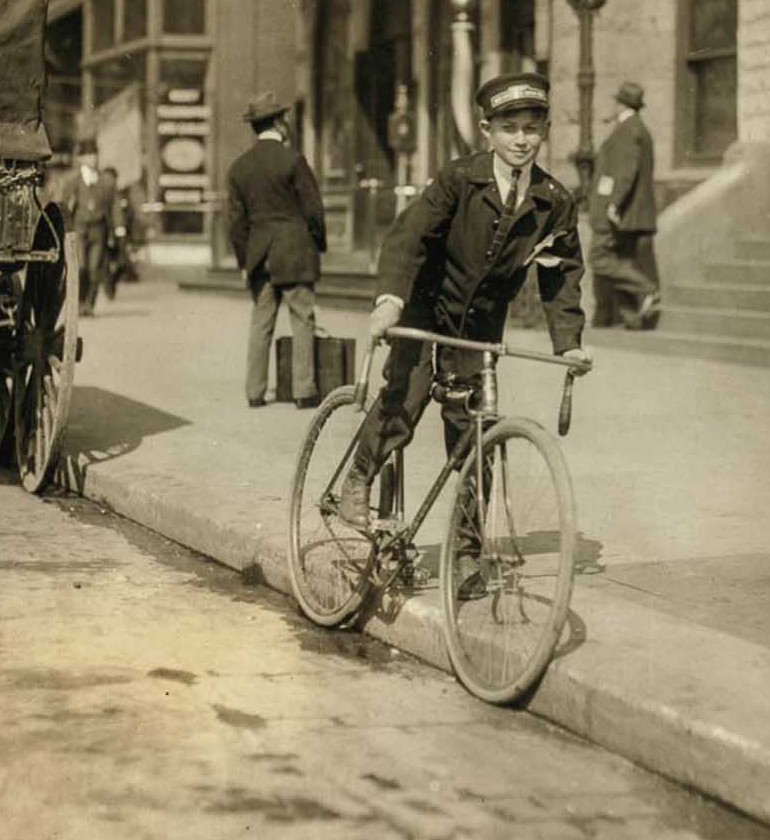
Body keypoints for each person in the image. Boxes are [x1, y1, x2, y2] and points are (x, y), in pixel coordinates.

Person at [337, 72, 591, 578]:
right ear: (486, 130)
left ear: (543, 133)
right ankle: (358, 478)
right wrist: (389, 300)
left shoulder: (553, 201)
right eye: (509, 128)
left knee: (475, 429)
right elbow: (408, 238)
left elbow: (561, 275)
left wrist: (568, 345)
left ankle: (469, 550)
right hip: (425, 305)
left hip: (478, 325)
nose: (521, 139)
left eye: (532, 128)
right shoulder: (460, 179)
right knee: (405, 398)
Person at [227, 91, 327, 410]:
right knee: (302, 318)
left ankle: (254, 392)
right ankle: (303, 390)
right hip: (294, 250)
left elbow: (236, 223)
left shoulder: (239, 168)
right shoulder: (293, 160)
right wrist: (318, 243)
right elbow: (313, 209)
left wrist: (245, 259)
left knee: (261, 320)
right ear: (279, 123)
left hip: (260, 253)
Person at [591, 81, 661, 329]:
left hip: (619, 211)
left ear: (620, 104)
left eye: (614, 101)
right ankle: (630, 317)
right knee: (621, 260)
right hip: (630, 212)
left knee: (600, 259)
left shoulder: (627, 130)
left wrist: (613, 205)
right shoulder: (638, 129)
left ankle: (646, 290)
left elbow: (625, 172)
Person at [75, 166, 119, 317]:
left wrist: (117, 229)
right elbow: (66, 205)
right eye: (87, 157)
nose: (91, 161)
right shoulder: (75, 180)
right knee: (81, 267)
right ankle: (80, 301)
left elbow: (114, 207)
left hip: (98, 230)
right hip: (80, 230)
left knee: (94, 268)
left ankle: (89, 304)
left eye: (93, 156)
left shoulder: (106, 182)